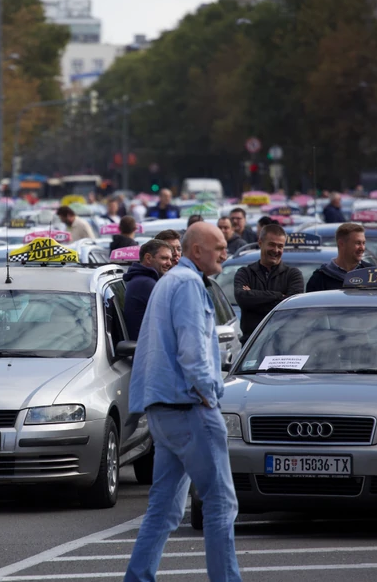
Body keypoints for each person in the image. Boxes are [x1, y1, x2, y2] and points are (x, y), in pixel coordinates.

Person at [124, 222, 240, 582]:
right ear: (196, 252)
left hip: (163, 410)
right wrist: (210, 395)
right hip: (188, 409)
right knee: (221, 504)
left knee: (163, 510)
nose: (225, 251)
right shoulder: (189, 284)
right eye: (218, 246)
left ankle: (138, 577)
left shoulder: (170, 281)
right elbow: (193, 353)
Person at [233, 224, 305, 342]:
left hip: (284, 344)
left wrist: (254, 298)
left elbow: (291, 307)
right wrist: (279, 296)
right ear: (260, 243)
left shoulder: (293, 275)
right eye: (271, 245)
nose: (276, 250)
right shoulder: (245, 273)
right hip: (251, 344)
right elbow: (242, 298)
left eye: (280, 246)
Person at [123, 239, 174, 340]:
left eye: (170, 259)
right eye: (164, 258)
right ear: (148, 258)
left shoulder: (143, 280)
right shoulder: (145, 284)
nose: (169, 263)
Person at [306, 223, 372, 292]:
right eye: (358, 243)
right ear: (341, 244)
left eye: (363, 243)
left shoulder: (372, 275)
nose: (362, 248)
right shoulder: (320, 279)